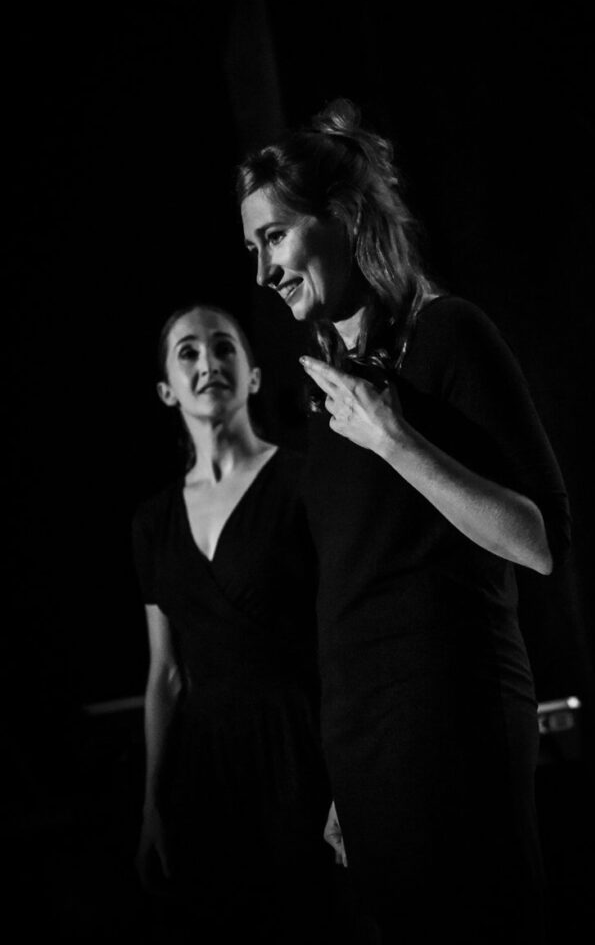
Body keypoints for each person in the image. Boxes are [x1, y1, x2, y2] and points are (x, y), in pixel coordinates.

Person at [238, 100, 571, 944]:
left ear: (345, 218)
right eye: (252, 249)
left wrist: (394, 438)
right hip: (365, 743)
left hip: (455, 716)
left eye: (275, 237)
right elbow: (351, 593)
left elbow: (537, 542)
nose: (263, 271)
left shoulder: (450, 334)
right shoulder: (327, 397)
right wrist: (345, 779)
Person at [132, 303, 334, 943]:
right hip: (205, 774)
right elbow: (165, 675)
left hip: (303, 755)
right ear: (167, 390)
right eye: (188, 352)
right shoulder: (153, 523)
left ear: (253, 375)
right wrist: (152, 805)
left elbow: (344, 646)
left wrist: (351, 784)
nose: (208, 362)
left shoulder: (305, 483)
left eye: (224, 348)